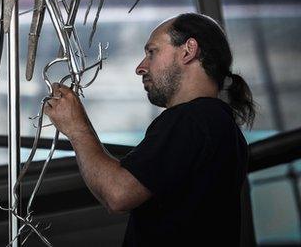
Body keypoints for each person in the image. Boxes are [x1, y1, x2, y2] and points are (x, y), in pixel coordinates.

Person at [43, 13, 255, 246]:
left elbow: (118, 194)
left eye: (152, 52)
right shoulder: (219, 124)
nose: (140, 68)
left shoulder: (192, 118)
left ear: (188, 50)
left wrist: (77, 129)